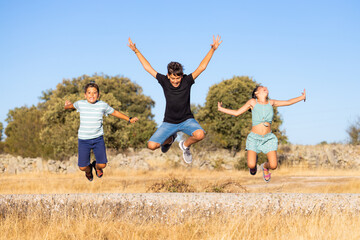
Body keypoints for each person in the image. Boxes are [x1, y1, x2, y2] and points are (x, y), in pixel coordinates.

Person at [128, 36, 222, 163]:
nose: (175, 81)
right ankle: (170, 139)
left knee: (200, 134)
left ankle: (185, 145)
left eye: (178, 78)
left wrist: (213, 50)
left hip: (187, 120)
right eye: (173, 78)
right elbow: (148, 67)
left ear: (181, 76)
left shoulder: (187, 81)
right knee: (152, 146)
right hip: (169, 122)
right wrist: (136, 50)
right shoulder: (164, 81)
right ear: (168, 76)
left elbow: (202, 67)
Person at [217, 86, 306, 182]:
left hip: (268, 138)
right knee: (251, 165)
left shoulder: (271, 102)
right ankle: (253, 164)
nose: (265, 88)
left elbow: (288, 102)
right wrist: (221, 109)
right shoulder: (252, 102)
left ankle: (265, 167)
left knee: (274, 165)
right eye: (262, 87)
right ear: (256, 93)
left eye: (266, 88)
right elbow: (237, 113)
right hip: (254, 138)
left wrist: (302, 97)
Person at [64, 81, 138, 181]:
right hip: (83, 140)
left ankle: (96, 166)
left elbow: (115, 112)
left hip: (98, 139)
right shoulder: (80, 104)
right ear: (85, 95)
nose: (92, 95)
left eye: (94, 93)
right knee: (82, 167)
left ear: (98, 95)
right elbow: (71, 106)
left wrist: (129, 119)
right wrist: (67, 105)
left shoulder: (102, 105)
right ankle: (88, 170)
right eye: (89, 93)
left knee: (102, 165)